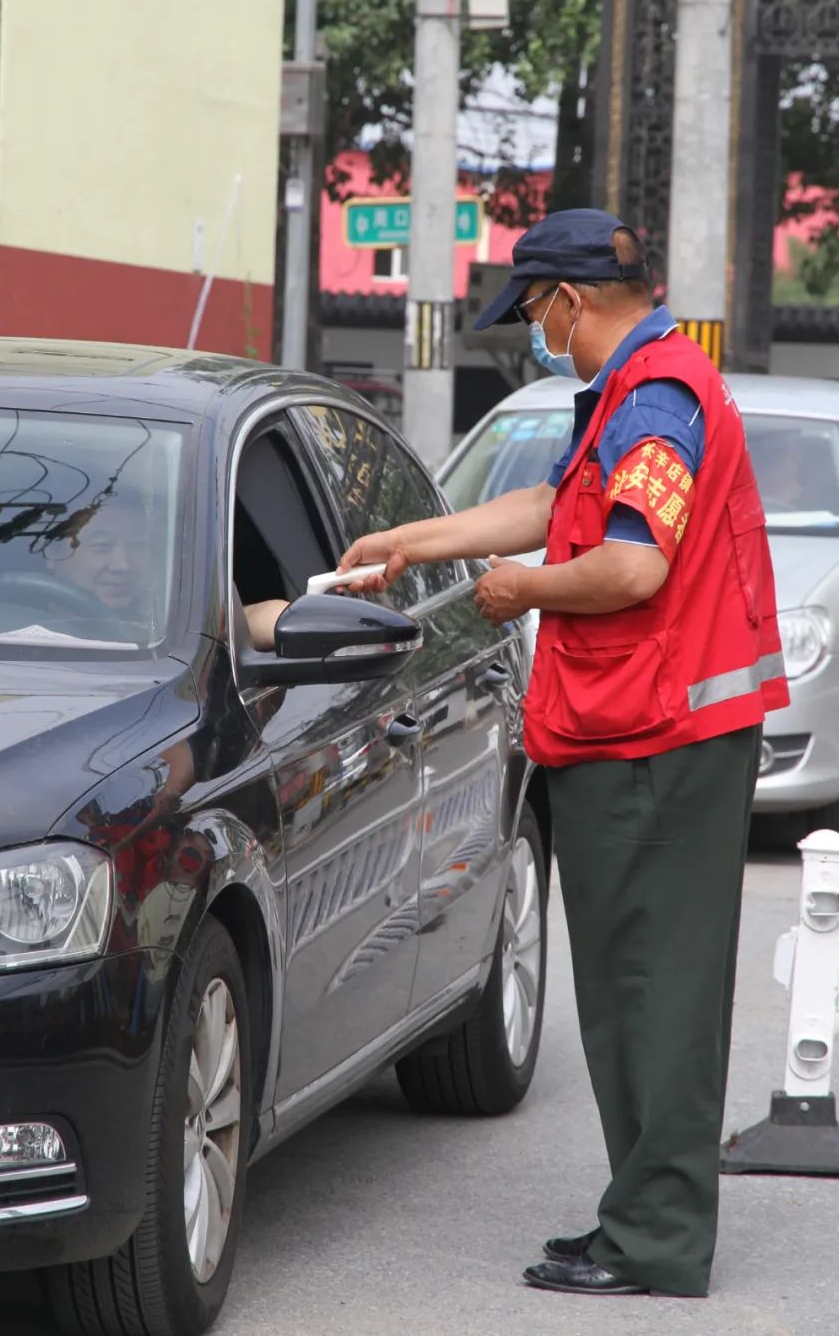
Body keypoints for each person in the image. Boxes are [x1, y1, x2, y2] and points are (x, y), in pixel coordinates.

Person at [340, 208, 788, 1300]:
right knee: (628, 993)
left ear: (573, 302)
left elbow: (630, 567)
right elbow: (555, 507)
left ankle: (658, 1238)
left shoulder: (662, 401)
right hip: (635, 735)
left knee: (656, 996)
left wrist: (516, 593)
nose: (536, 332)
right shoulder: (630, 395)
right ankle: (637, 1216)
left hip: (663, 745)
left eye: (536, 313)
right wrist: (411, 541)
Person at [46, 492, 287, 649]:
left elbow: (263, 618)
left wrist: (297, 622)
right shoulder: (11, 627)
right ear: (53, 554)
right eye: (101, 547)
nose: (122, 565)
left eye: (138, 546)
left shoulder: (167, 625)